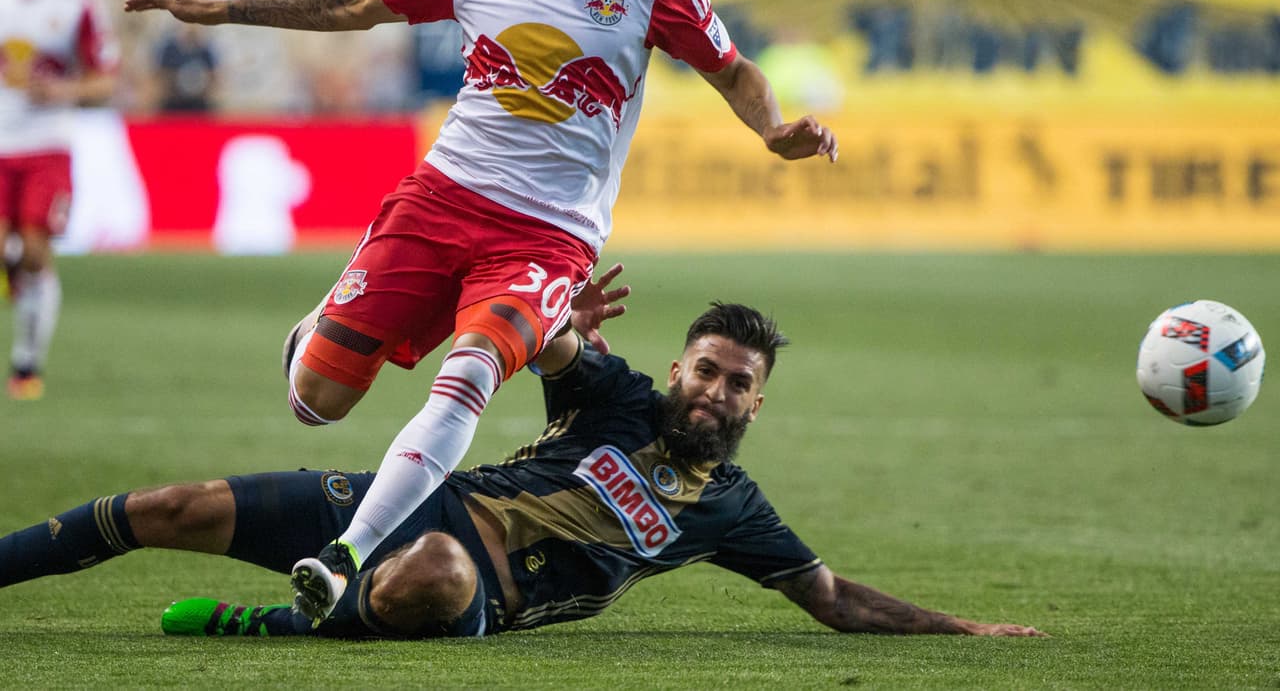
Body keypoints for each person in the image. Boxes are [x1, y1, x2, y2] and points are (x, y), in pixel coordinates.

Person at [123, 0, 840, 624]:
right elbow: (358, 1)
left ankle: (346, 551)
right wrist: (224, 9)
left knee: (468, 375)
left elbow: (735, 71)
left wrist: (774, 129)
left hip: (548, 235)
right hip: (441, 198)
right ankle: (324, 315)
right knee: (314, 399)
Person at [0, 270, 1045, 641]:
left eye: (737, 381)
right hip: (409, 504)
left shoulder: (732, 510)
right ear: (678, 371)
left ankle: (276, 619)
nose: (714, 390)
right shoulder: (617, 395)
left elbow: (830, 597)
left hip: (476, 591)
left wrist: (963, 625)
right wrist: (557, 317)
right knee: (169, 504)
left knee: (440, 573)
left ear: (755, 405)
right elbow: (549, 343)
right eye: (705, 369)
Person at [0, 0, 120, 400]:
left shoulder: (79, 1)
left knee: (33, 251)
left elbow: (105, 80)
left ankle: (26, 364)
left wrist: (61, 91)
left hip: (48, 144)